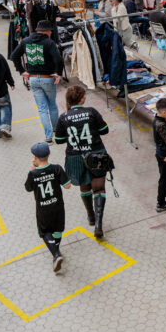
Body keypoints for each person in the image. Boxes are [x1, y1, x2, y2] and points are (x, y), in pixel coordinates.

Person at [54, 86, 112, 236]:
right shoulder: (91, 112)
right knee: (99, 189)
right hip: (96, 154)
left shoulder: (63, 117)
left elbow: (59, 139)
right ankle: (98, 225)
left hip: (75, 157)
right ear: (82, 98)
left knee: (84, 187)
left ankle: (90, 216)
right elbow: (104, 130)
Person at [10, 19, 63, 143]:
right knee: (52, 105)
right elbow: (58, 59)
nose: (51, 33)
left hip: (33, 79)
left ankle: (48, 136)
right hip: (48, 79)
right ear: (45, 31)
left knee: (42, 108)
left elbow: (14, 56)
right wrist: (58, 73)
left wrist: (22, 71)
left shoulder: (25, 41)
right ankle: (56, 130)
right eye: (50, 31)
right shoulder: (49, 43)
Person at [24, 141, 70, 272]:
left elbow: (28, 188)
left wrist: (32, 170)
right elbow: (67, 185)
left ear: (35, 157)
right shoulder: (56, 168)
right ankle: (57, 249)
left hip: (43, 209)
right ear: (49, 154)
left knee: (45, 232)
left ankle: (56, 254)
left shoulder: (33, 174)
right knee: (57, 229)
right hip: (58, 206)